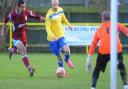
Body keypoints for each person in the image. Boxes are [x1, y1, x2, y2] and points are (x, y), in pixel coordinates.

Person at [1, 0, 45, 77]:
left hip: (24, 37)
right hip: (16, 38)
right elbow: (6, 19)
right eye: (22, 7)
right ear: (18, 7)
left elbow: (37, 16)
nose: (24, 8)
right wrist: (2, 29)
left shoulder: (27, 12)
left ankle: (12, 50)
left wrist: (47, 19)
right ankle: (30, 69)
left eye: (25, 7)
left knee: (23, 51)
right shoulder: (13, 14)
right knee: (24, 51)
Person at [86, 11, 128, 89]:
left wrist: (89, 58)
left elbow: (94, 43)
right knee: (122, 66)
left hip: (103, 51)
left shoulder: (99, 29)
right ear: (111, 18)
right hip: (116, 50)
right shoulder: (116, 25)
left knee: (97, 69)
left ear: (102, 18)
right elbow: (127, 32)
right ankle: (125, 85)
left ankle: (93, 87)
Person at [45, 0, 74, 77]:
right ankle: (62, 70)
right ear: (51, 4)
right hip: (52, 40)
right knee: (59, 57)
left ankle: (67, 59)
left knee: (67, 50)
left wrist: (69, 25)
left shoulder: (61, 10)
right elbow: (47, 28)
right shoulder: (49, 14)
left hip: (61, 36)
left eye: (56, 4)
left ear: (58, 3)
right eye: (54, 4)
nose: (55, 6)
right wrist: (51, 35)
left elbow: (64, 19)